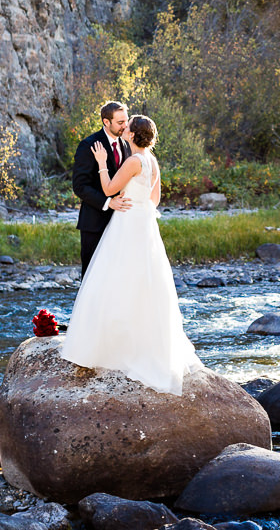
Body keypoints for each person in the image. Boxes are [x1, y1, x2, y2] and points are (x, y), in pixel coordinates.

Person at [60, 115, 204, 395]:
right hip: (144, 224)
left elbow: (109, 189)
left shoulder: (133, 161)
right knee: (143, 281)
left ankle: (110, 347)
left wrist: (102, 165)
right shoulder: (151, 160)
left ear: (133, 134)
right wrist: (138, 205)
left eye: (128, 125)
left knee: (114, 279)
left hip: (126, 222)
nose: (123, 128)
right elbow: (155, 200)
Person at [72, 101, 134, 274]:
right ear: (106, 122)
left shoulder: (128, 144)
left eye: (126, 121)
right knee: (92, 276)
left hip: (122, 221)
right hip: (94, 222)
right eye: (120, 123)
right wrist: (108, 203)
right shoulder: (89, 145)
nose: (125, 126)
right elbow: (79, 186)